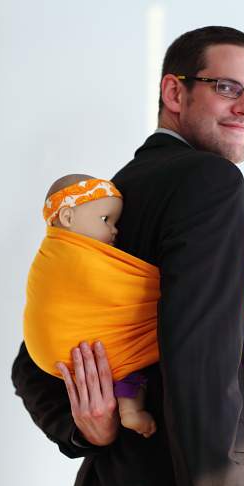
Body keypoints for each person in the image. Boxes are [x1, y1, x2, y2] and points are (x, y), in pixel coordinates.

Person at [11, 26, 244, 486]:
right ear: (174, 92)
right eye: (227, 87)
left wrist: (86, 427)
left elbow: (34, 355)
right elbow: (200, 362)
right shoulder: (210, 182)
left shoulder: (110, 199)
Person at [23, 173, 156, 438]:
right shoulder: (72, 258)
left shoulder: (48, 258)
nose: (114, 231)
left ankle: (130, 410)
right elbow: (119, 288)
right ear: (67, 217)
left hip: (65, 354)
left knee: (125, 366)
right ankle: (130, 409)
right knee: (126, 359)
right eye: (106, 220)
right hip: (72, 354)